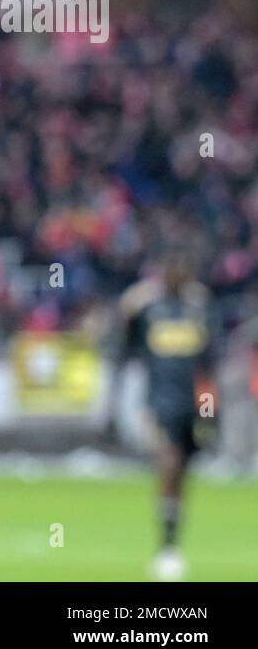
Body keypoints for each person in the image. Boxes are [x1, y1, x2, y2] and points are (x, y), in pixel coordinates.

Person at [107, 249, 219, 581]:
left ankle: (172, 541)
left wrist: (210, 412)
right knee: (168, 463)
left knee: (183, 472)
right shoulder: (146, 307)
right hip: (159, 403)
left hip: (193, 404)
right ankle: (167, 549)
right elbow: (123, 348)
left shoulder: (199, 307)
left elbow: (208, 367)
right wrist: (113, 405)